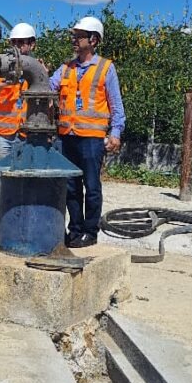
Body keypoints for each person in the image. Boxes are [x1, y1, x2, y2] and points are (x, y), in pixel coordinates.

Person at [49, 16, 125, 248]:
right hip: (67, 136)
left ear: (93, 40)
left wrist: (116, 133)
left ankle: (90, 232)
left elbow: (117, 106)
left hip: (92, 139)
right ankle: (75, 230)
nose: (74, 40)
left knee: (91, 187)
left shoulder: (105, 68)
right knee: (71, 187)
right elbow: (47, 87)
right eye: (73, 35)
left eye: (79, 36)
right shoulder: (65, 68)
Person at [0, 23, 37, 238]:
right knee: (4, 179)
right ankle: (2, 225)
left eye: (22, 43)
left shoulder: (36, 69)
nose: (18, 46)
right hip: (2, 135)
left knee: (28, 179)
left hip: (26, 134)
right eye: (15, 42)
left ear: (32, 44)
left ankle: (24, 225)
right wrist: (1, 86)